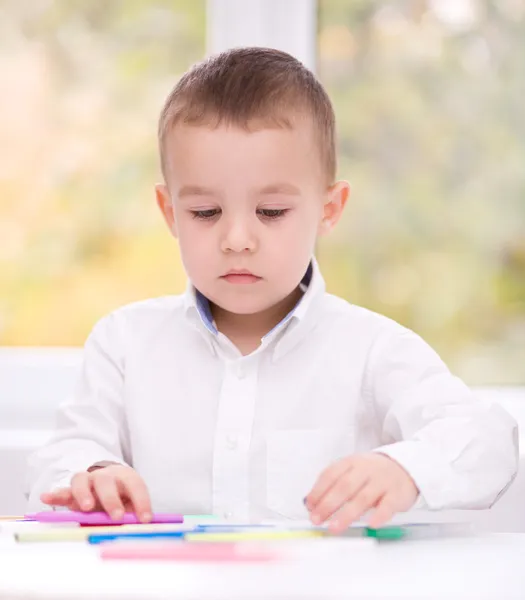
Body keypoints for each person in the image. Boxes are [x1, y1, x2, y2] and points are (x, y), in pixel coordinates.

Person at [27, 47, 518, 533]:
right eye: (205, 213)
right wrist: (92, 476)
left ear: (329, 208)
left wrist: (406, 468)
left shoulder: (372, 350)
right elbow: (62, 456)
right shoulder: (124, 343)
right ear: (170, 211)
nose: (237, 240)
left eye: (271, 212)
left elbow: (489, 441)